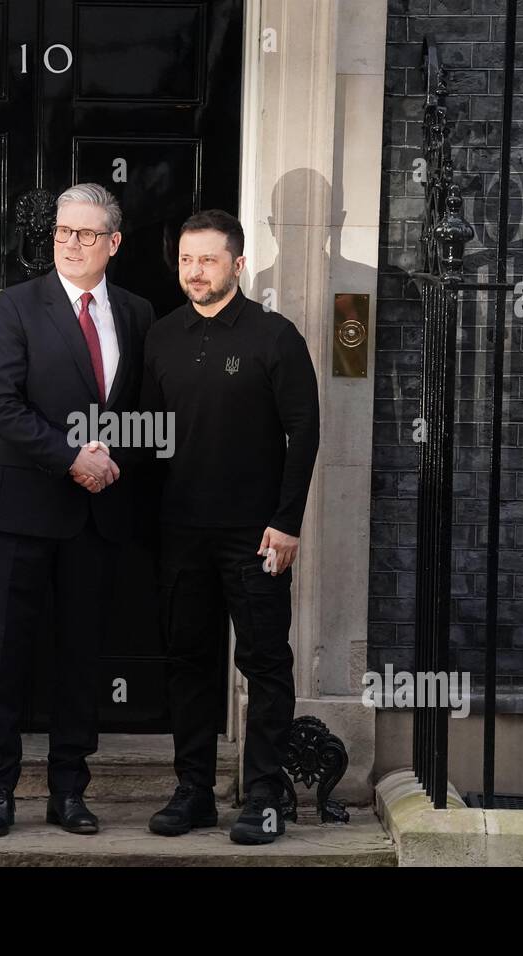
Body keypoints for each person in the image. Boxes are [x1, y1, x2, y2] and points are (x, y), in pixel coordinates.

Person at [0, 184, 155, 837]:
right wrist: (72, 455)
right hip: (18, 511)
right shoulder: (15, 307)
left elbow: (144, 411)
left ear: (113, 241)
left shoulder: (137, 313)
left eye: (85, 233)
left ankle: (69, 791)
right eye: (62, 232)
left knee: (81, 660)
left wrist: (116, 460)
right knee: (4, 658)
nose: (71, 243)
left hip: (96, 516)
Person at [141, 209, 320, 845]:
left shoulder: (276, 337)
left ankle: (265, 795)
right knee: (188, 662)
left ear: (237, 265)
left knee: (266, 662)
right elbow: (148, 434)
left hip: (257, 536)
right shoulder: (161, 337)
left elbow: (305, 432)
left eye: (208, 260)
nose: (194, 272)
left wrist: (287, 522)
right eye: (187, 260)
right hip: (181, 531)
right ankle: (192, 792)